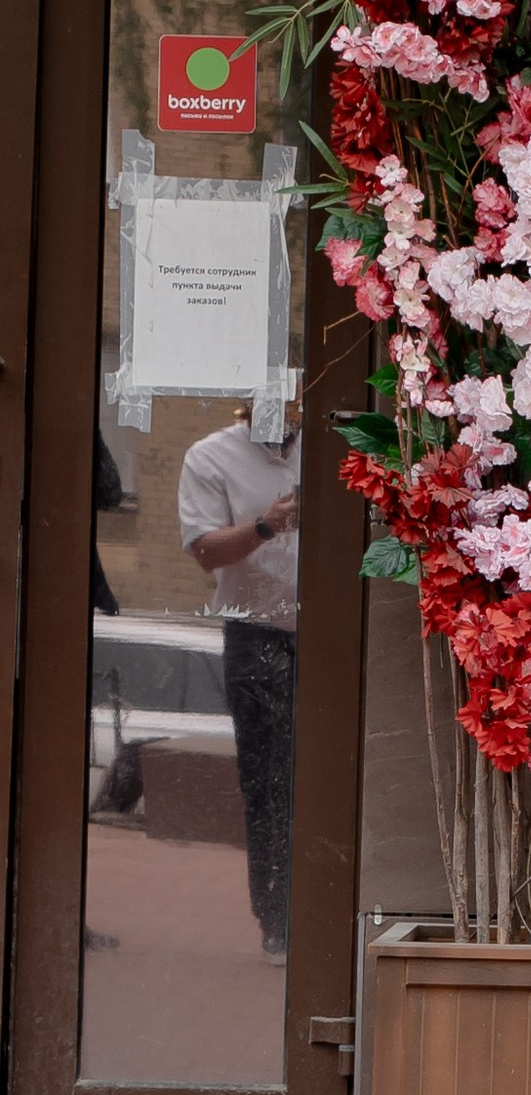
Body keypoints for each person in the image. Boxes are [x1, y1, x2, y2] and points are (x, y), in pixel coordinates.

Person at [176, 406, 300, 962]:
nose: (288, 414)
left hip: (334, 632)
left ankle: (331, 908)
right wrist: (265, 526)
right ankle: (277, 918)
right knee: (269, 780)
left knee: (331, 774)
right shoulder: (210, 456)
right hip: (257, 634)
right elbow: (204, 551)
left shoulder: (334, 446)